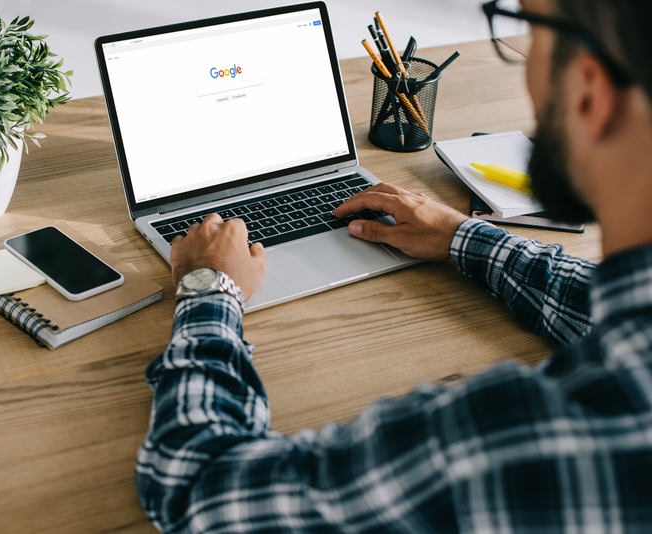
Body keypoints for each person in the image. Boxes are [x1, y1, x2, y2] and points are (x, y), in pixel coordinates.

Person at [136, 0, 652, 531]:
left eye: (526, 29)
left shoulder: (511, 443)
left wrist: (208, 287)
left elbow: (198, 484)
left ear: (590, 90)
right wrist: (460, 236)